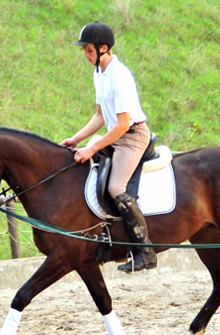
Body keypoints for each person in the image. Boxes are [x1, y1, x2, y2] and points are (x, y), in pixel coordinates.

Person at [60, 21, 157, 273]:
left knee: (116, 187)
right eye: (85, 50)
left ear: (104, 48)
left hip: (132, 136)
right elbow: (101, 116)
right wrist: (77, 139)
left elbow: (123, 124)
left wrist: (92, 148)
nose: (85, 54)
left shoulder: (120, 75)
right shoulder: (99, 73)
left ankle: (145, 252)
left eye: (89, 49)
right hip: (114, 135)